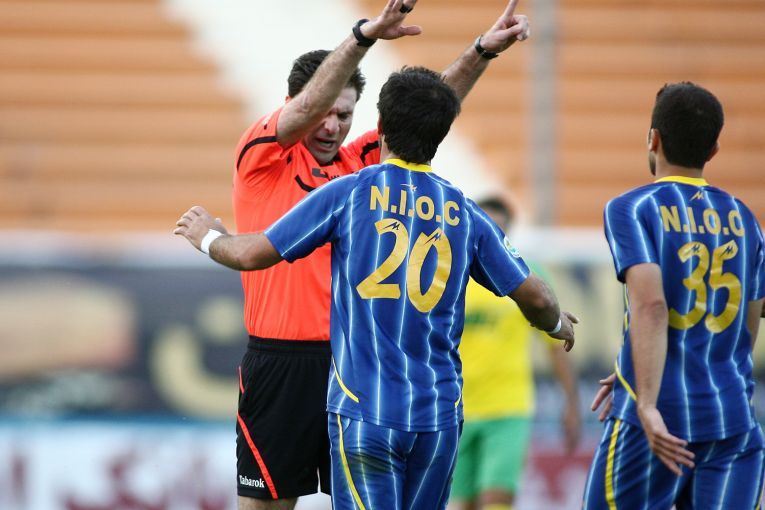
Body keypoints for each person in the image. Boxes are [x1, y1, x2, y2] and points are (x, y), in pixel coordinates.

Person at [175, 65, 577, 510]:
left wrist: (208, 237)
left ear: (380, 126)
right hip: (438, 418)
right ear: (441, 135)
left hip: (365, 412)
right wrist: (556, 324)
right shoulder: (465, 212)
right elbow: (537, 297)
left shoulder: (349, 193)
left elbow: (253, 254)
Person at [227, 0, 531, 508]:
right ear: (293, 105)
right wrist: (364, 35)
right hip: (282, 361)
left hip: (355, 367)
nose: (331, 127)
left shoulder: (360, 166)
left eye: (344, 116)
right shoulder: (264, 158)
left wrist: (481, 51)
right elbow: (306, 108)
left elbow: (426, 109)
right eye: (323, 113)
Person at [583, 82, 765, 509]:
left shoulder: (633, 208)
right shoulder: (744, 217)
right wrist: (633, 363)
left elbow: (651, 305)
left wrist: (646, 401)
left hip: (657, 422)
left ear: (653, 138)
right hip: (732, 421)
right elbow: (749, 319)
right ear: (714, 150)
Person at [448, 197, 581, 510]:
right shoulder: (454, 273)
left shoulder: (527, 278)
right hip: (457, 408)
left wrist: (572, 404)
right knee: (459, 504)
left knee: (496, 499)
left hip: (508, 408)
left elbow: (556, 348)